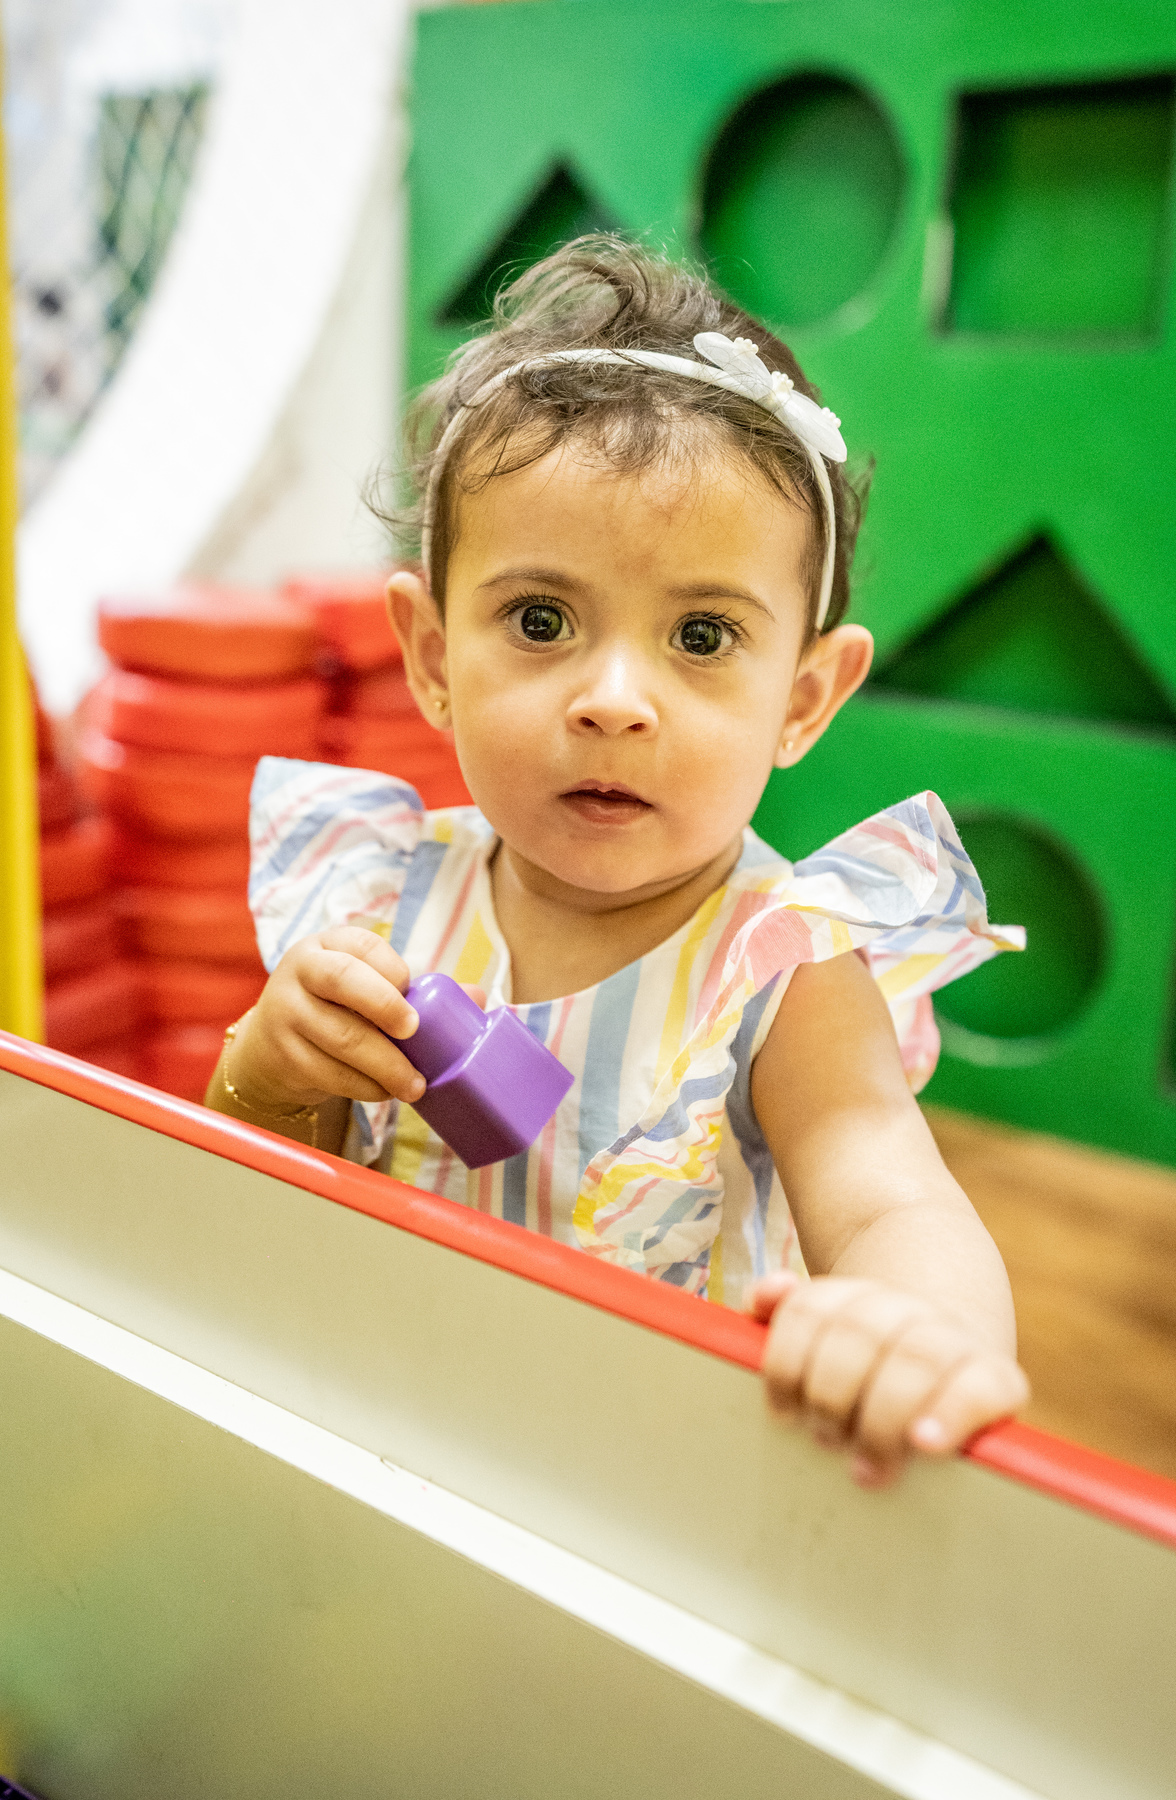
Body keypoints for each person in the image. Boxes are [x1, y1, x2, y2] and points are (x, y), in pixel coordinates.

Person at [206, 238, 1029, 1486]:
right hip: (394, 1426)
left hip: (663, 1479)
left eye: (702, 635)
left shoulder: (782, 965)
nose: (613, 700)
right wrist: (270, 1073)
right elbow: (261, 1187)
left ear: (804, 699)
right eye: (540, 622)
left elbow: (889, 1204)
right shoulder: (378, 899)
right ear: (431, 657)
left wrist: (921, 1329)